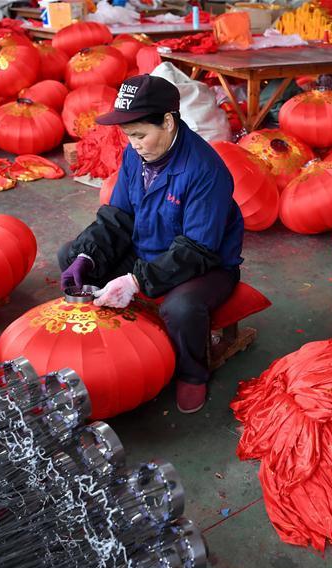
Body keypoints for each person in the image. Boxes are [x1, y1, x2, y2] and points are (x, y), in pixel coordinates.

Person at [59, 74, 244, 414]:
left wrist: (137, 280)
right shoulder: (135, 156)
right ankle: (114, 342)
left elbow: (197, 250)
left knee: (181, 308)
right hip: (148, 247)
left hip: (206, 264)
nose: (134, 144)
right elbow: (118, 216)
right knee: (72, 255)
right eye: (129, 136)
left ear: (169, 122)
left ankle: (192, 373)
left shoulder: (206, 170)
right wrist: (87, 254)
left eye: (141, 134)